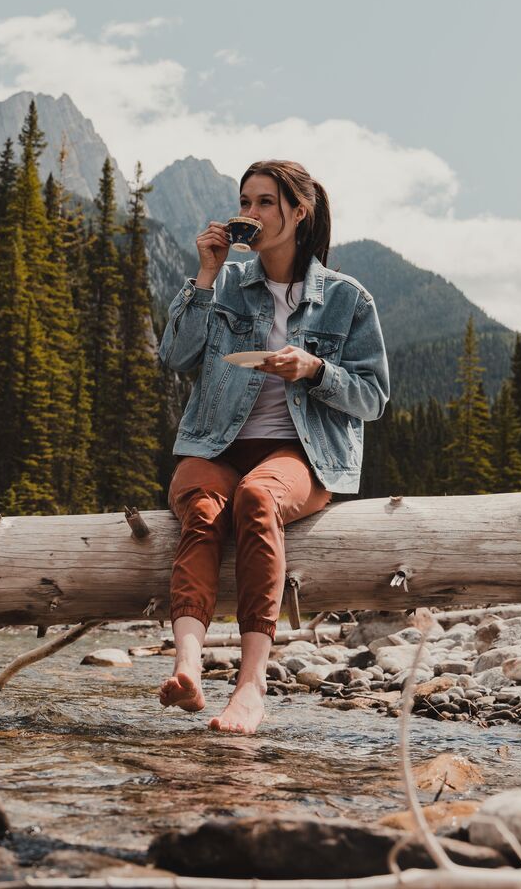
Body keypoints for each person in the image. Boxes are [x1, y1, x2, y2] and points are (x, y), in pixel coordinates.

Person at [154, 159, 390, 733]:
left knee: (257, 500)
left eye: (264, 203)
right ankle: (187, 665)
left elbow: (373, 398)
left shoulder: (347, 298)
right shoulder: (226, 283)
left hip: (302, 455)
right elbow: (174, 356)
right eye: (245, 202)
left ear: (297, 212)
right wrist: (205, 276)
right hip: (216, 444)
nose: (249, 215)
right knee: (203, 509)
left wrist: (314, 369)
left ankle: (252, 685)